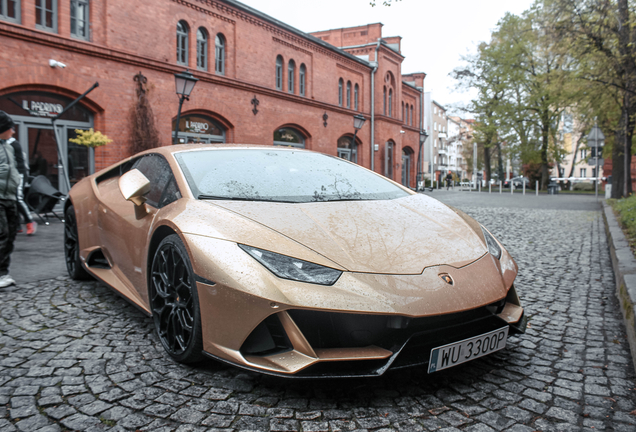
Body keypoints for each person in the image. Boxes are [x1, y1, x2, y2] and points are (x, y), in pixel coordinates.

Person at [0, 111, 21, 287]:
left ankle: (3, 273)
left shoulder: (9, 147)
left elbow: (13, 170)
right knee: (2, 234)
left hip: (10, 197)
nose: (13, 131)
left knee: (11, 235)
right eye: (10, 128)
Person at [8, 137, 36, 235]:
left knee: (17, 198)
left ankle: (30, 221)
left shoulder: (13, 143)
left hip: (18, 174)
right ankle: (17, 225)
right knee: (10, 199)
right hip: (9, 175)